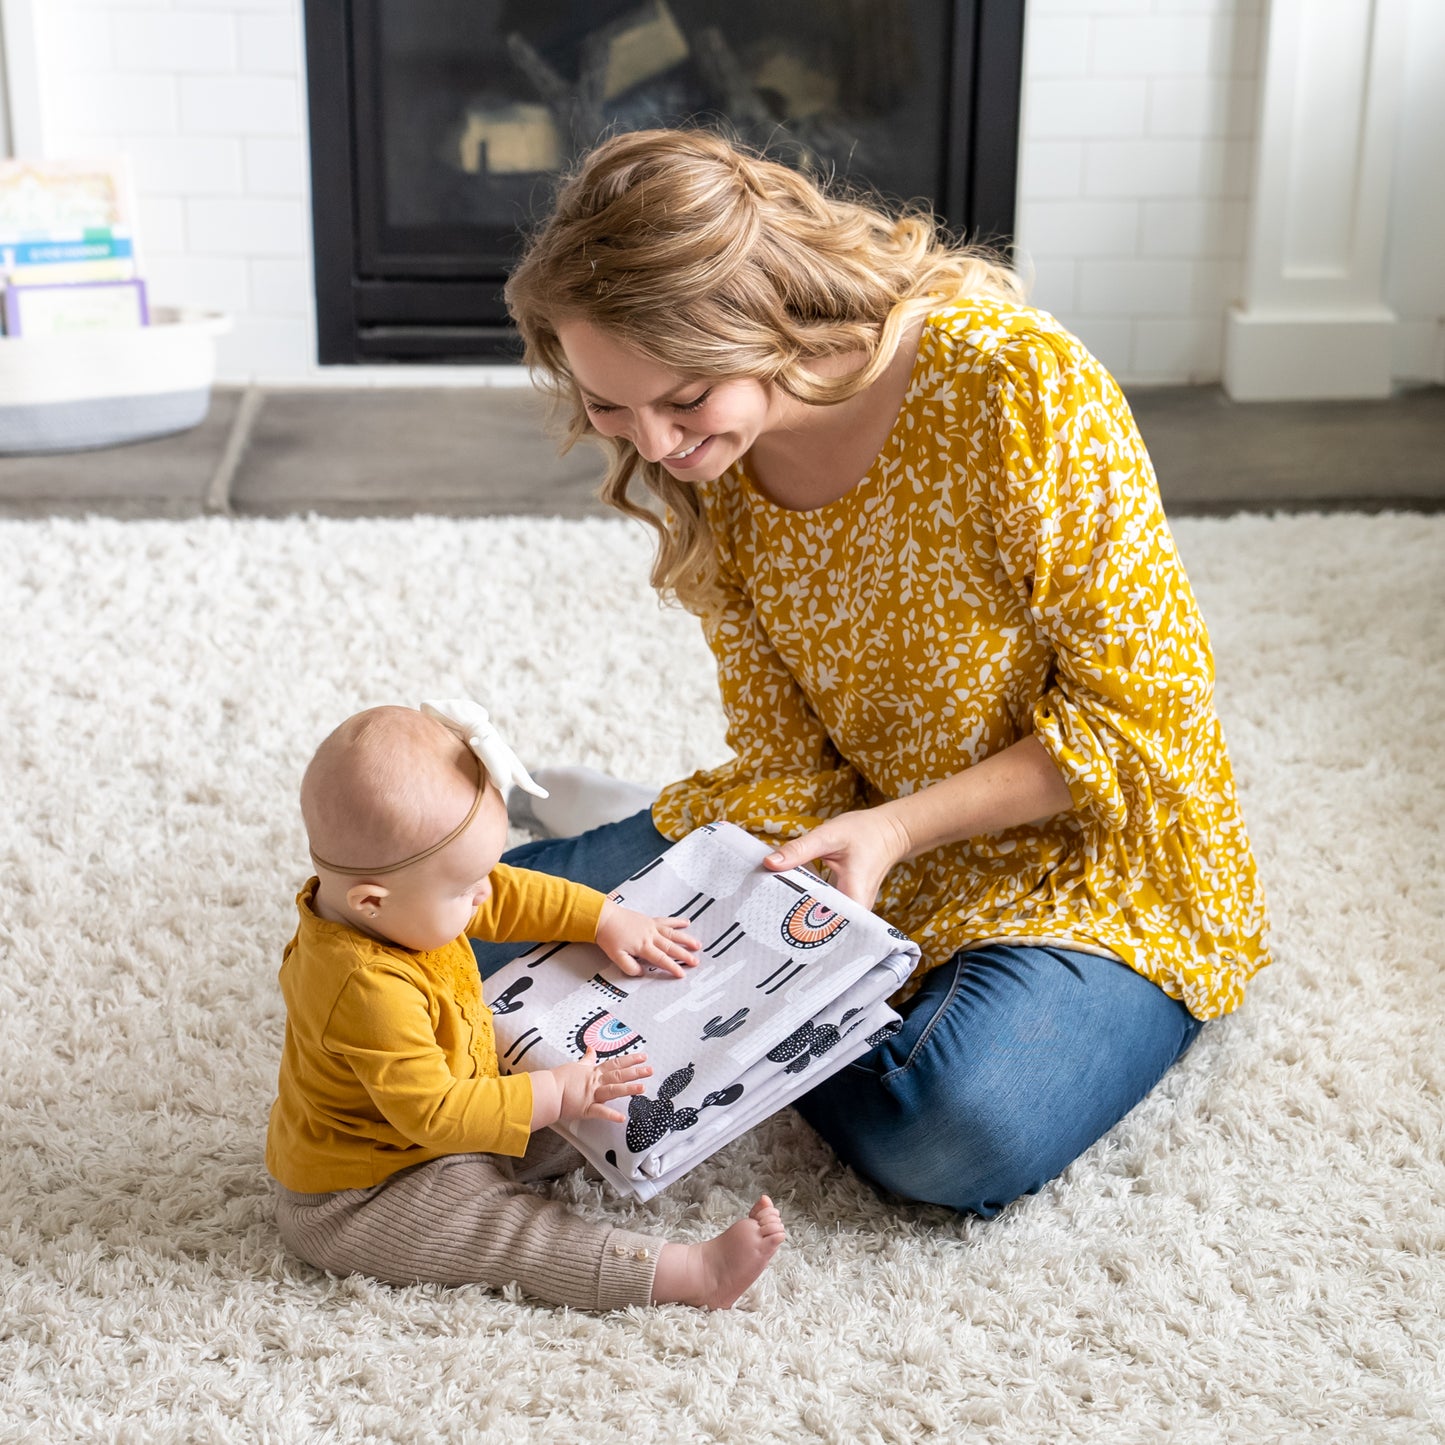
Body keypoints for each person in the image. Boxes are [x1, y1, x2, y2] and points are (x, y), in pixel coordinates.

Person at [481, 127, 1271, 1218]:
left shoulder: (1013, 387)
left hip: (1083, 862)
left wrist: (893, 832)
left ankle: (831, 1001)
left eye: (681, 399)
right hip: (833, 823)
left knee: (944, 1126)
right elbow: (785, 756)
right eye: (611, 405)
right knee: (442, 944)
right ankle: (732, 936)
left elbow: (1146, 720)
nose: (653, 445)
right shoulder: (710, 455)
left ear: (756, 322)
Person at [266, 701, 785, 1310]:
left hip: (459, 1104)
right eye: (466, 889)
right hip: (371, 1187)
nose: (486, 892)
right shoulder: (361, 986)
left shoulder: (404, 901)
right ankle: (684, 1273)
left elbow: (508, 893)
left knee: (604, 1102)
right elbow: (433, 1114)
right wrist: (560, 1092)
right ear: (372, 903)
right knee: (509, 1230)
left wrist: (604, 918)